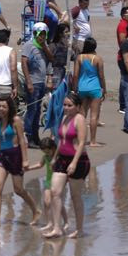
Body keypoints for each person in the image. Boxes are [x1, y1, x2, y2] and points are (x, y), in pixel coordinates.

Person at [0, 96, 39, 229]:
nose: (1, 109)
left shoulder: (16, 120)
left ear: (9, 108)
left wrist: (25, 160)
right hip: (2, 156)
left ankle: (36, 210)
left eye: (4, 107)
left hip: (15, 156)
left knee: (18, 190)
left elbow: (22, 140)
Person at [42, 94, 89, 239]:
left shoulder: (80, 119)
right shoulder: (64, 118)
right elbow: (60, 140)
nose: (66, 108)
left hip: (79, 161)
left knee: (75, 197)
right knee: (55, 192)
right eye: (65, 105)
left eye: (70, 105)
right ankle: (57, 228)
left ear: (78, 107)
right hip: (62, 159)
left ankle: (79, 229)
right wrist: (54, 158)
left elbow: (81, 143)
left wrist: (74, 163)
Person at [21, 22, 51, 148]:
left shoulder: (43, 46)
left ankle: (35, 135)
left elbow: (51, 59)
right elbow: (24, 63)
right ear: (34, 33)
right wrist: (28, 82)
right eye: (40, 35)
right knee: (32, 110)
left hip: (41, 82)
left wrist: (44, 46)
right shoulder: (29, 45)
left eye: (44, 35)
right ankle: (28, 136)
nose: (42, 37)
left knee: (38, 110)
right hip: (33, 82)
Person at [72, 37, 106, 147]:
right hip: (95, 88)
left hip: (82, 88)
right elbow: (101, 76)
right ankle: (92, 141)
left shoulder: (79, 58)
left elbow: (76, 75)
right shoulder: (97, 59)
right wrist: (104, 89)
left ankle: (78, 140)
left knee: (81, 115)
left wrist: (74, 88)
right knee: (94, 116)